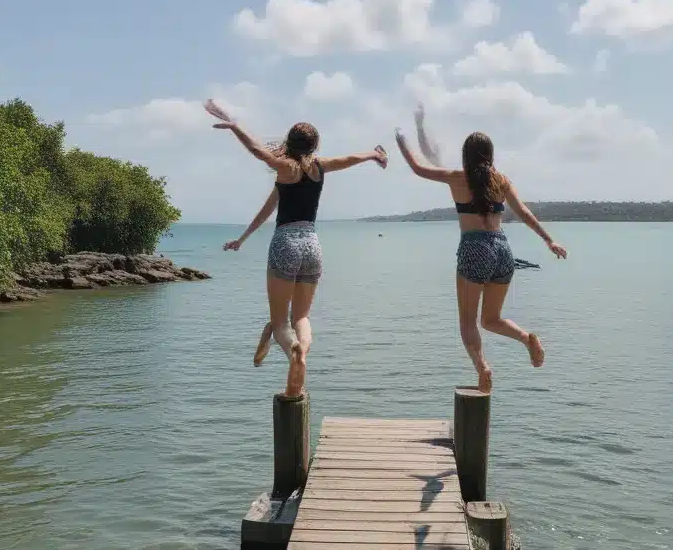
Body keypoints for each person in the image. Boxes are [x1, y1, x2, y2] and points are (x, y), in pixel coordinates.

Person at [206, 99, 387, 395]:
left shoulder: (285, 168)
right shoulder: (320, 167)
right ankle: (299, 364)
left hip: (286, 243)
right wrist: (374, 154)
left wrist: (235, 126)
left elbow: (257, 151)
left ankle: (293, 351)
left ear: (289, 142)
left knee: (280, 323)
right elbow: (351, 158)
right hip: (312, 245)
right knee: (301, 318)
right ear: (314, 146)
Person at [396, 108, 567, 393]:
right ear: (490, 155)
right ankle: (526, 338)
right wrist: (549, 240)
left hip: (475, 247)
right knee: (490, 319)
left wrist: (401, 139)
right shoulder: (501, 181)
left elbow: (417, 167)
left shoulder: (456, 177)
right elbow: (522, 212)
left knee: (467, 323)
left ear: (466, 155)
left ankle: (482, 367)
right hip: (502, 249)